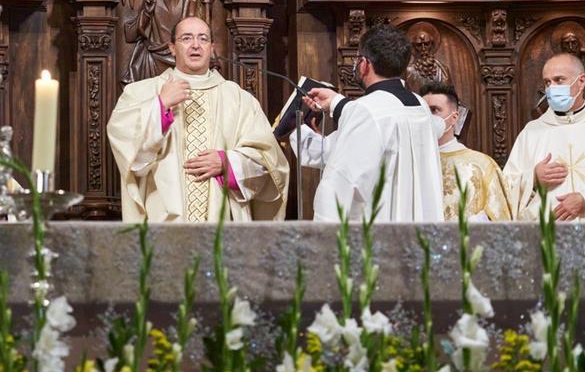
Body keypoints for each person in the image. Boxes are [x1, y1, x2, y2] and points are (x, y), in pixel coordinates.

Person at [107, 16, 289, 222]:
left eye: (203, 39)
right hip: (163, 222)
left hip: (222, 222)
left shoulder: (239, 99)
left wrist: (227, 163)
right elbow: (129, 153)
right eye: (186, 38)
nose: (195, 45)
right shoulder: (141, 93)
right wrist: (160, 106)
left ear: (212, 48)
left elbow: (269, 162)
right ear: (172, 47)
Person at [293, 25, 444, 222]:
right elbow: (384, 119)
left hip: (380, 235)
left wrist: (324, 237)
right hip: (420, 230)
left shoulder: (366, 110)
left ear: (364, 64)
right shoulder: (419, 104)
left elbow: (341, 184)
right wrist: (337, 103)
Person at [503, 53, 585, 221]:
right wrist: (533, 178)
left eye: (559, 80)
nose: (551, 88)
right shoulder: (531, 133)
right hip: (546, 234)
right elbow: (505, 189)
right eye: (547, 82)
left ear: (581, 81)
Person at [420, 83, 512, 221]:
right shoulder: (412, 161)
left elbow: (500, 219)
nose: (428, 116)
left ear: (454, 117)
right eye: (423, 111)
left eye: (434, 110)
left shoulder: (481, 165)